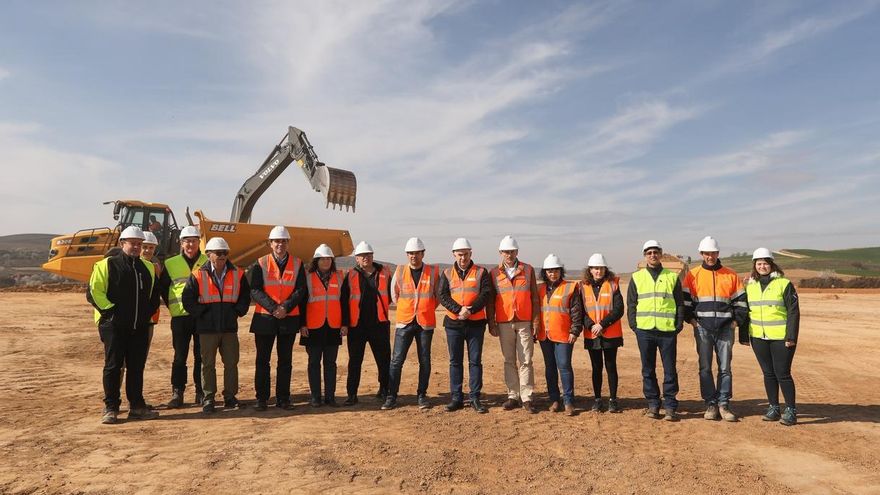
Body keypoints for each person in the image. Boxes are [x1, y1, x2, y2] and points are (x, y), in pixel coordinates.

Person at [87, 226, 160, 424]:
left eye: (139, 244)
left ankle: (137, 406)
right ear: (122, 244)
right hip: (114, 327)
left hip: (139, 327)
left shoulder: (147, 269)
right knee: (113, 366)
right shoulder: (106, 265)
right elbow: (94, 292)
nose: (136, 247)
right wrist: (111, 313)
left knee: (136, 367)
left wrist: (145, 316)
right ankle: (111, 407)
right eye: (132, 243)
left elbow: (153, 296)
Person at [683, 236, 749, 422]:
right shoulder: (693, 275)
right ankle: (710, 404)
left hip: (725, 329)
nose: (710, 256)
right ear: (702, 254)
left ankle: (723, 404)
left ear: (718, 254)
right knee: (705, 368)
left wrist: (736, 322)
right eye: (706, 253)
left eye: (713, 253)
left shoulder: (731, 275)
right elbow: (686, 301)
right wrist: (692, 320)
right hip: (702, 328)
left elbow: (741, 303)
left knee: (725, 368)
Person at [182, 236, 251, 413]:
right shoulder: (198, 275)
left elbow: (245, 296)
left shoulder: (238, 273)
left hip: (229, 328)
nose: (222, 256)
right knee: (207, 364)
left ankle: (230, 396)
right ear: (208, 254)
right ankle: (208, 398)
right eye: (218, 253)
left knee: (231, 363)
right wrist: (202, 314)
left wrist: (237, 311)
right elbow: (187, 300)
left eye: (225, 253)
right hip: (207, 329)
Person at [248, 226, 306, 411]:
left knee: (285, 361)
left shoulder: (298, 264)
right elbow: (255, 290)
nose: (280, 244)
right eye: (277, 241)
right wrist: (274, 308)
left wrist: (285, 307)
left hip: (288, 319)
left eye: (283, 241)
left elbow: (301, 290)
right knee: (262, 361)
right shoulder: (260, 263)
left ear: (288, 243)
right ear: (270, 243)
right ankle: (262, 399)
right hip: (265, 318)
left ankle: (283, 398)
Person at [627, 240, 685, 421]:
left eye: (655, 252)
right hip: (644, 331)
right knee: (648, 369)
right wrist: (634, 326)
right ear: (645, 256)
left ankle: (670, 405)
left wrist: (679, 324)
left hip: (667, 331)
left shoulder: (672, 277)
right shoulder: (637, 277)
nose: (653, 255)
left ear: (660, 254)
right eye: (649, 252)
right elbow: (631, 304)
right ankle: (653, 403)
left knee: (669, 369)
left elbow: (680, 303)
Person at [743, 248, 800, 426]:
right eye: (758, 263)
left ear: (771, 264)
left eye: (765, 263)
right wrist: (744, 336)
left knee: (782, 373)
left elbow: (793, 312)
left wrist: (791, 336)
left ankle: (790, 410)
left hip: (781, 338)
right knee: (768, 373)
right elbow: (746, 312)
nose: (762, 266)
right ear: (755, 265)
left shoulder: (784, 284)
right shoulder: (750, 286)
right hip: (759, 337)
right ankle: (773, 408)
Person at [382, 237, 439, 411]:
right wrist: (407, 308)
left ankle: (422, 395)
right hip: (404, 322)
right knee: (396, 361)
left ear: (423, 253)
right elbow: (394, 295)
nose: (413, 256)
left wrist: (425, 308)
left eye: (416, 253)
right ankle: (391, 396)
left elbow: (437, 297)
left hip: (424, 323)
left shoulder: (433, 272)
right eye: (410, 253)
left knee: (425, 360)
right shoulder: (399, 271)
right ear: (407, 254)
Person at [439, 238, 493, 414]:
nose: (463, 257)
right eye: (460, 254)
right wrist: (458, 309)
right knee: (455, 362)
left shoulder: (481, 272)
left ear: (471, 253)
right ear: (454, 254)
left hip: (475, 324)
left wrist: (470, 310)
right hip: (454, 324)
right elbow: (442, 295)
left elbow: (486, 293)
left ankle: (475, 397)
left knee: (475, 361)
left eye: (466, 254)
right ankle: (456, 398)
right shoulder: (447, 273)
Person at [488, 235, 541, 414]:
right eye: (506, 252)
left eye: (512, 251)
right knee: (509, 360)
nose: (509, 255)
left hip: (524, 321)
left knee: (526, 360)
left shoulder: (528, 270)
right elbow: (490, 301)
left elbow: (534, 297)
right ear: (500, 253)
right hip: (504, 322)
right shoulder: (494, 273)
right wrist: (492, 322)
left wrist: (535, 321)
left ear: (517, 252)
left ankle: (526, 397)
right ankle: (513, 395)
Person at [158, 225, 206, 407]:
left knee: (201, 356)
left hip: (202, 315)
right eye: (187, 241)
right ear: (181, 243)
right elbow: (163, 288)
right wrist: (172, 306)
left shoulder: (207, 261)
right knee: (180, 356)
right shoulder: (171, 263)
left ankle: (201, 392)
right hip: (180, 317)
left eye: (194, 241)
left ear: (198, 243)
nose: (190, 245)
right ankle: (177, 392)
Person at [341, 241, 392, 406]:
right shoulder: (350, 275)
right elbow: (343, 301)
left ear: (372, 256)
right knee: (355, 361)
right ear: (356, 258)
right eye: (362, 255)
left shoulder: (385, 272)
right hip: (357, 326)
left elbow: (393, 293)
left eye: (368, 255)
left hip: (379, 324)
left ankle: (384, 389)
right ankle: (352, 394)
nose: (366, 258)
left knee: (383, 360)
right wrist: (345, 323)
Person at [300, 244, 345, 407]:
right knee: (313, 363)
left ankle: (330, 396)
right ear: (316, 261)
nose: (326, 261)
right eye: (322, 259)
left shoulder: (339, 276)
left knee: (330, 363)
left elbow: (344, 301)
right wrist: (302, 324)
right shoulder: (307, 277)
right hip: (312, 327)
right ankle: (315, 397)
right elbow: (302, 302)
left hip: (333, 326)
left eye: (328, 259)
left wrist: (344, 324)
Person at [537, 253, 583, 416]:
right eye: (549, 271)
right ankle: (554, 399)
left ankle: (568, 401)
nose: (552, 273)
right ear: (545, 272)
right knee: (550, 368)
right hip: (545, 335)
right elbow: (537, 312)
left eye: (555, 270)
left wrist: (575, 330)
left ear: (560, 271)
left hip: (564, 335)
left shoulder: (570, 287)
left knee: (564, 367)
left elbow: (577, 311)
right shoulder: (540, 289)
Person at [580, 253, 624, 413]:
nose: (598, 271)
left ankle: (613, 400)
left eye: (601, 268)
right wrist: (592, 325)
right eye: (595, 268)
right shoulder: (583, 287)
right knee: (596, 367)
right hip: (592, 334)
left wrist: (602, 324)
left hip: (610, 334)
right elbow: (582, 311)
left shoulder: (613, 285)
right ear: (590, 270)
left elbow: (619, 309)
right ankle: (597, 399)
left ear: (605, 269)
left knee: (611, 366)